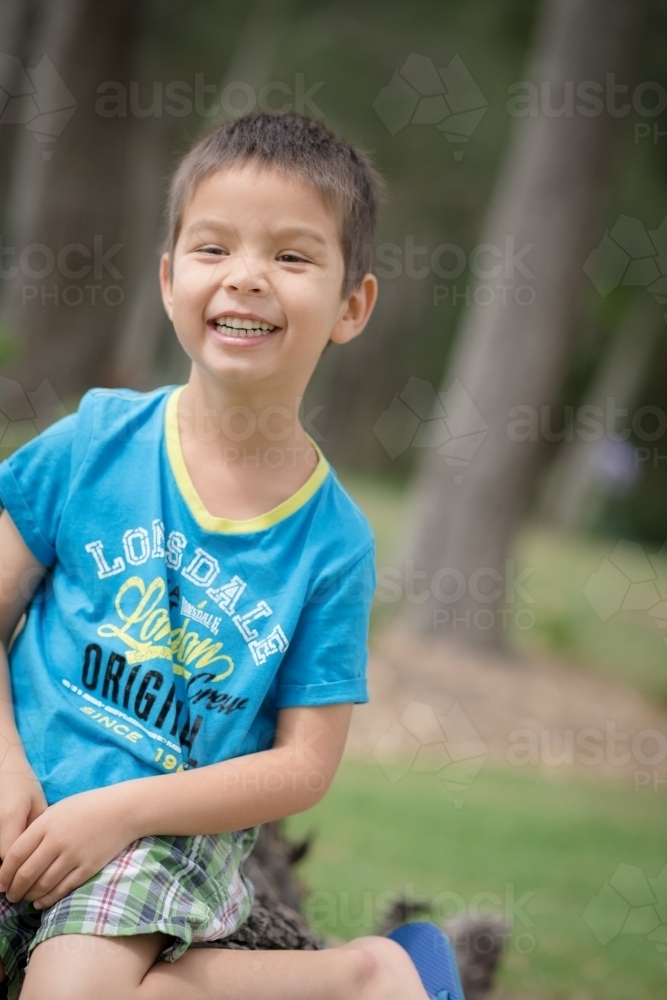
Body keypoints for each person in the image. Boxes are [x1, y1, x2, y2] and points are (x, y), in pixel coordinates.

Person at [0, 112, 432, 1000]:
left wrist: (120, 810)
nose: (246, 278)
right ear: (168, 279)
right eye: (213, 248)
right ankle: (354, 981)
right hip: (19, 778)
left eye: (292, 256)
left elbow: (302, 765)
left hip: (162, 830)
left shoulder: (332, 543)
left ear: (351, 306)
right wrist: (4, 764)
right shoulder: (94, 442)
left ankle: (366, 976)